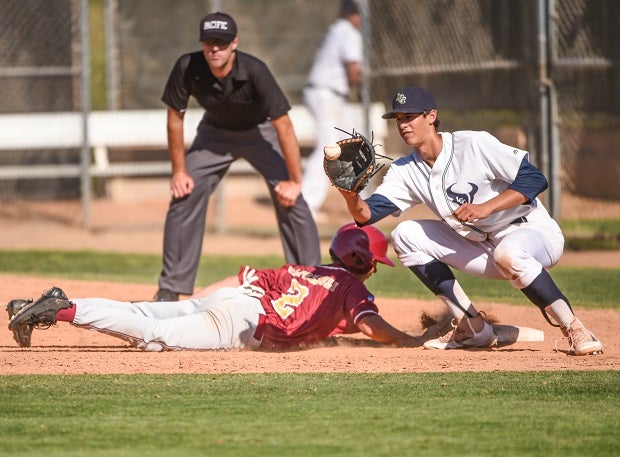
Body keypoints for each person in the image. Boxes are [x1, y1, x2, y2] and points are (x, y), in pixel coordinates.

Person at [333, 85, 604, 355]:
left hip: (532, 233)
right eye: (399, 119)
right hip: (483, 247)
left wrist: (486, 208)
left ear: (431, 116)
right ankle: (473, 327)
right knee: (405, 235)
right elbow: (367, 215)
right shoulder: (405, 170)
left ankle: (574, 327)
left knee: (509, 252)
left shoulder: (473, 144)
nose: (403, 125)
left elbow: (535, 179)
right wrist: (350, 195)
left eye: (410, 116)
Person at [6, 224, 418, 351]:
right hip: (242, 325)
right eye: (376, 263)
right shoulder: (351, 290)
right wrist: (405, 340)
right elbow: (368, 324)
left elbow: (242, 279)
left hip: (233, 300)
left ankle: (48, 304)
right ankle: (58, 311)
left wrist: (195, 303)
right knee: (153, 335)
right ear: (365, 263)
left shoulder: (305, 267)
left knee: (146, 313)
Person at [155, 11, 321, 302]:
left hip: (260, 133)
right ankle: (171, 287)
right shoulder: (187, 66)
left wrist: (295, 181)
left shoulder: (255, 70)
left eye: (221, 42)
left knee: (291, 198)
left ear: (235, 43)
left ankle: (310, 282)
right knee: (184, 193)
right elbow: (174, 118)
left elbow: (284, 126)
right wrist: (179, 171)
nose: (214, 49)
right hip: (214, 133)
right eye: (208, 42)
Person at [301, 0, 364, 221]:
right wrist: (366, 82)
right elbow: (353, 69)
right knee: (329, 147)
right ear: (354, 15)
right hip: (327, 93)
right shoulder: (348, 31)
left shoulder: (336, 29)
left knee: (353, 144)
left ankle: (364, 199)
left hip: (331, 94)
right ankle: (306, 204)